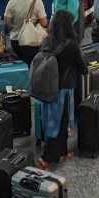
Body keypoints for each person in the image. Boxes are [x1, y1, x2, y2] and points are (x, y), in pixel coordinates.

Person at [36, 10, 87, 168]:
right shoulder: (71, 45)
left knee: (53, 120)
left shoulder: (47, 41)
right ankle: (47, 157)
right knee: (59, 123)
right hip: (63, 88)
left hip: (47, 87)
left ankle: (62, 152)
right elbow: (82, 67)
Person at [5, 0, 48, 65]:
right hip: (32, 41)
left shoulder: (11, 2)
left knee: (20, 66)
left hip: (15, 41)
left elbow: (7, 23)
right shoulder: (37, 2)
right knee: (32, 66)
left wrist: (17, 28)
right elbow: (44, 23)